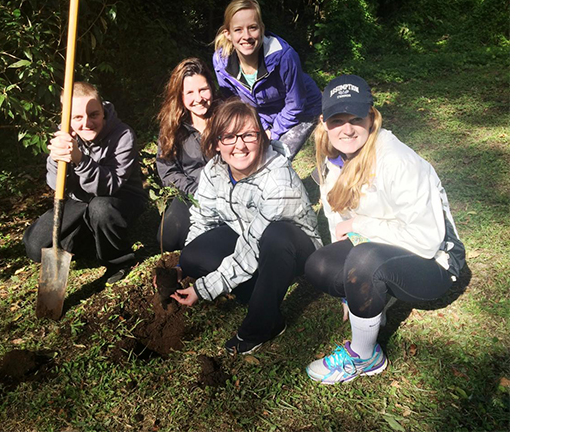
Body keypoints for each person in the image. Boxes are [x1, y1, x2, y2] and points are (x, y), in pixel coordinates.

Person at [303, 75, 466, 384]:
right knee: (318, 265)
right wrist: (350, 295)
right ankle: (373, 300)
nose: (347, 128)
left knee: (365, 260)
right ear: (324, 122)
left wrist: (360, 226)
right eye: (337, 120)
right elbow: (336, 222)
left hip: (436, 264)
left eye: (356, 118)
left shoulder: (397, 161)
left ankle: (366, 355)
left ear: (371, 116)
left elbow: (427, 240)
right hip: (386, 248)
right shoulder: (333, 159)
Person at [170, 97, 321, 355]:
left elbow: (253, 246)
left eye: (248, 135)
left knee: (276, 236)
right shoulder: (214, 170)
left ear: (261, 138)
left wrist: (204, 288)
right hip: (247, 236)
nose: (239, 145)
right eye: (229, 136)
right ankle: (261, 290)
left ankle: (263, 325)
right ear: (217, 143)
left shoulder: (278, 179)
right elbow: (203, 218)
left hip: (293, 249)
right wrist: (181, 267)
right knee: (193, 256)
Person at [23, 81, 146, 283]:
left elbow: (110, 186)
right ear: (68, 118)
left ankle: (118, 260)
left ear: (103, 111)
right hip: (81, 200)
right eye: (77, 117)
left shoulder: (123, 135)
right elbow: (57, 186)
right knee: (35, 246)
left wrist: (80, 159)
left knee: (101, 208)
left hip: (119, 198)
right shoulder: (65, 136)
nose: (86, 123)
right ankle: (91, 240)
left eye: (93, 114)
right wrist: (56, 160)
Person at [211, 0, 322, 159]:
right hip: (261, 115)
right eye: (238, 30)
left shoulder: (285, 56)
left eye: (252, 28)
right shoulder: (221, 62)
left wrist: (272, 132)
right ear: (227, 34)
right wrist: (260, 128)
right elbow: (233, 101)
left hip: (303, 109)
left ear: (262, 29)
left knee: (278, 159)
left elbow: (295, 104)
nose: (246, 36)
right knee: (251, 157)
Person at [154, 58, 215, 252]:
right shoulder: (172, 127)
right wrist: (194, 192)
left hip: (227, 192)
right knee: (167, 239)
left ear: (211, 88)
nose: (198, 98)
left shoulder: (227, 115)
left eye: (203, 89)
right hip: (192, 194)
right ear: (180, 95)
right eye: (190, 92)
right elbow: (168, 170)